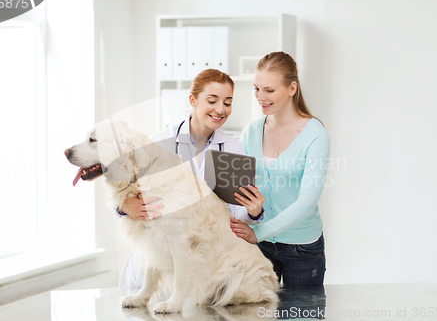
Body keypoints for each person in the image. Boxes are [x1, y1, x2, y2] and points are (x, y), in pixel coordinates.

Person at [117, 69, 266, 296]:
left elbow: (235, 215)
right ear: (193, 100)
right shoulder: (159, 142)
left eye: (227, 102)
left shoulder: (234, 150)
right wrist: (123, 207)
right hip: (156, 260)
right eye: (212, 100)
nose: (220, 109)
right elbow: (121, 186)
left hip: (201, 263)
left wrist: (253, 212)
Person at [230, 51, 330, 286]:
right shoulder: (251, 131)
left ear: (292, 88)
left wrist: (260, 232)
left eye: (269, 90)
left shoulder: (315, 134)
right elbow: (237, 189)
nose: (260, 97)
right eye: (257, 88)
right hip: (259, 246)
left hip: (302, 248)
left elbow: (307, 202)